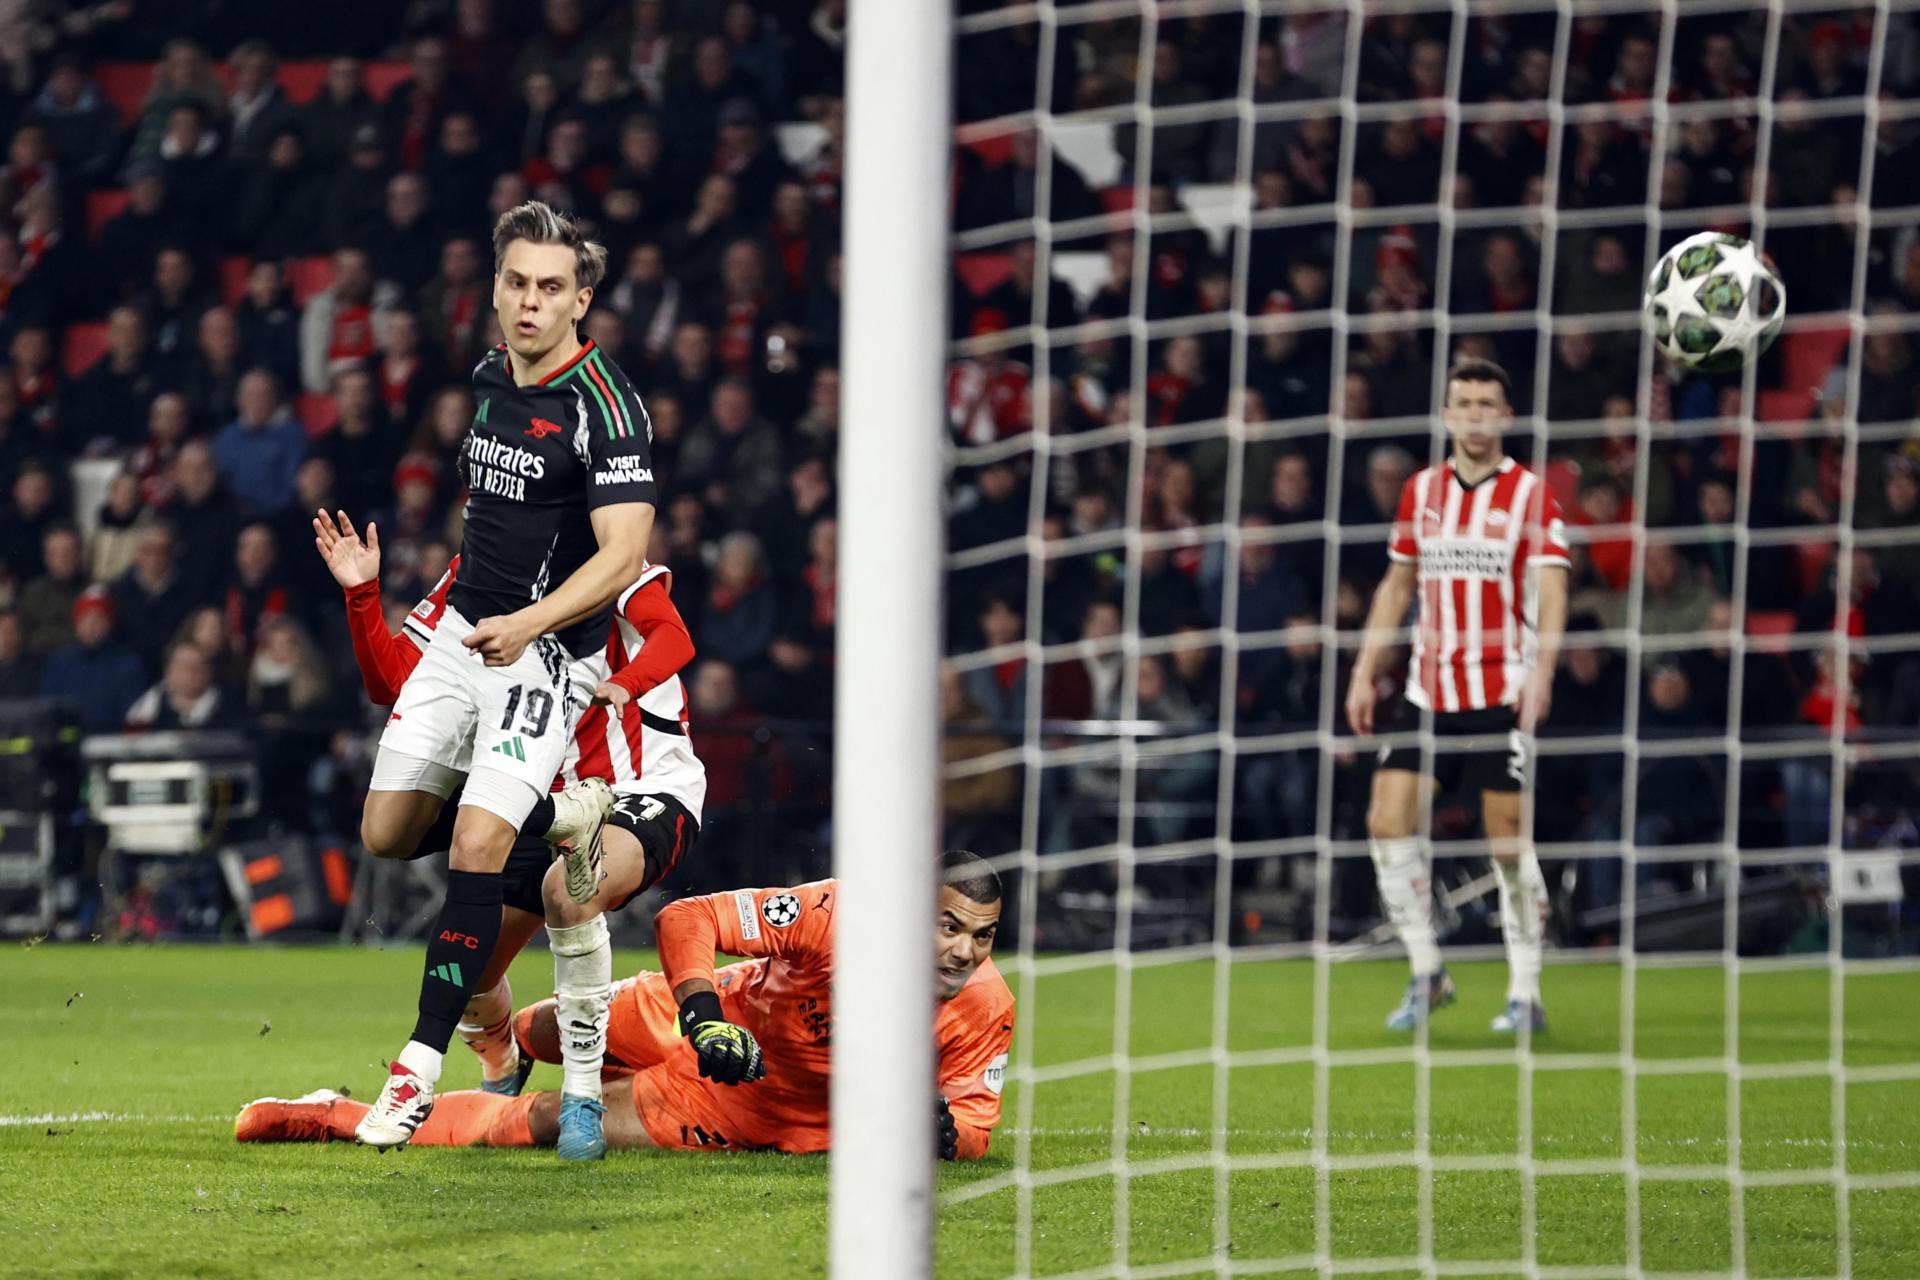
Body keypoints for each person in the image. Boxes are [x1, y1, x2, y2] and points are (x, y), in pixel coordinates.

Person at [352, 201, 659, 1151]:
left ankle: (415, 1071)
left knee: (476, 846)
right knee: (388, 833)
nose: (530, 303)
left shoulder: (607, 405)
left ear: (583, 300)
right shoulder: (489, 378)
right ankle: (556, 814)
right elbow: (491, 519)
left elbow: (624, 554)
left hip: (547, 652)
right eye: (517, 283)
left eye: (551, 288)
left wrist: (527, 623)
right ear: (496, 288)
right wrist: (441, 611)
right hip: (461, 638)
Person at [313, 499, 701, 1160]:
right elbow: (393, 685)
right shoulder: (467, 587)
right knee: (469, 975)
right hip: (536, 793)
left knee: (567, 893)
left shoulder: (604, 569)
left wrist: (624, 685)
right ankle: (503, 1064)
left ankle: (581, 1096)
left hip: (640, 789)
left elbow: (674, 638)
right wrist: (362, 595)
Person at [236, 852, 1014, 1160]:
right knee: (548, 1025)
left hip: (752, 1107)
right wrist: (705, 1014)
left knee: (548, 1120)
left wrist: (948, 1135)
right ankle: (502, 1047)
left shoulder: (985, 1004)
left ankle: (334, 1112)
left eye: (981, 937)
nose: (963, 952)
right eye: (949, 926)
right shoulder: (835, 913)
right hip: (706, 1012)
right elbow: (688, 919)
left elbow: (975, 1121)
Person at [1343, 359, 1571, 1035]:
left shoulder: (1532, 495)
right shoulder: (1422, 491)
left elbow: (1554, 591)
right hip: (1428, 690)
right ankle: (1427, 970)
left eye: (1486, 403)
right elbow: (1396, 584)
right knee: (1386, 823)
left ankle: (1525, 993)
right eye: (1463, 402)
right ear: (1446, 414)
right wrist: (1364, 669)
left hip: (1499, 692)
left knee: (1507, 846)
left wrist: (1544, 670)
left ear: (1505, 415)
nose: (1474, 413)